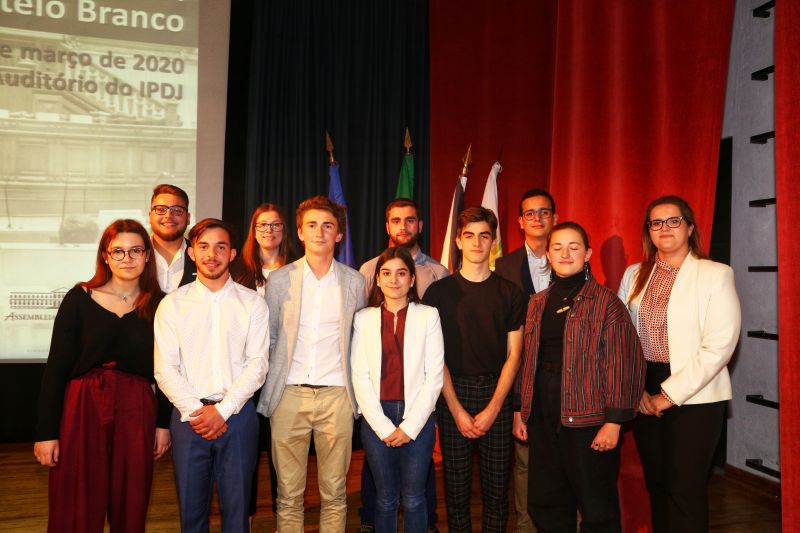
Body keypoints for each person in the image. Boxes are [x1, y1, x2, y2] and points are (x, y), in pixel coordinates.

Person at [34, 219, 171, 533]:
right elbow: (56, 368)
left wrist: (163, 424)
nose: (127, 258)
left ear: (147, 256)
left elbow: (168, 368)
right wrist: (46, 433)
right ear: (105, 257)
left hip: (137, 408)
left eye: (135, 250)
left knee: (131, 499)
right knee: (76, 499)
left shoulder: (161, 304)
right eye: (118, 251)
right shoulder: (79, 298)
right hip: (83, 407)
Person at [617, 196, 741, 533]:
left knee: (685, 489)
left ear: (689, 228)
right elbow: (621, 337)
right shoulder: (634, 274)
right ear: (648, 231)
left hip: (697, 393)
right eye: (656, 222)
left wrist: (668, 395)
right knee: (657, 485)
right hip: (645, 386)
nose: (665, 228)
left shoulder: (715, 274)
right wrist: (636, 389)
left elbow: (720, 345)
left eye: (673, 221)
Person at [514, 221, 645, 533]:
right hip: (543, 415)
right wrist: (520, 409)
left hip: (589, 419)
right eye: (557, 248)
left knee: (597, 507)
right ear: (548, 255)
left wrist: (614, 422)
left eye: (574, 247)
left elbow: (623, 364)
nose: (565, 254)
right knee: (546, 500)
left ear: (587, 253)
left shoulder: (607, 304)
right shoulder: (536, 303)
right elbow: (527, 360)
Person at [256, 195, 366, 533]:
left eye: (328, 226)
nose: (320, 232)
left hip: (337, 396)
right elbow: (270, 337)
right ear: (300, 232)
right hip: (289, 395)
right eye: (312, 225)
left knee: (335, 493)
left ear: (339, 235)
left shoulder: (355, 282)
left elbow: (358, 340)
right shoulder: (279, 280)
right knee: (288, 495)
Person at [154, 218, 269, 533]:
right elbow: (165, 368)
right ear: (192, 253)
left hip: (238, 417)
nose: (211, 254)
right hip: (188, 420)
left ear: (232, 254)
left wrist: (222, 410)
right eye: (203, 246)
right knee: (191, 514)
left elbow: (258, 364)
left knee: (238, 513)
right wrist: (198, 411)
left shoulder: (253, 303)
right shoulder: (172, 305)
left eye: (220, 247)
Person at [423, 206, 526, 533]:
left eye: (484, 236)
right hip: (452, 392)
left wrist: (495, 407)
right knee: (455, 492)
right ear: (458, 241)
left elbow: (515, 356)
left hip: (497, 393)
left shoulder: (510, 293)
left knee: (497, 493)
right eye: (469, 236)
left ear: (493, 241)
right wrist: (456, 409)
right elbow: (435, 358)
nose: (477, 243)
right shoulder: (438, 293)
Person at [357, 197, 448, 533]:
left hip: (418, 416)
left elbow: (434, 376)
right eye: (386, 274)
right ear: (377, 279)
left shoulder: (429, 315)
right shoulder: (363, 319)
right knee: (384, 498)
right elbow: (360, 377)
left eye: (401, 274)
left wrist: (410, 427)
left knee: (413, 498)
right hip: (376, 416)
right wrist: (383, 427)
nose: (393, 280)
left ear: (412, 280)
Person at [495, 188, 558, 533]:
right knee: (524, 461)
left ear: (554, 218)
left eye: (544, 212)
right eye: (530, 213)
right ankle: (525, 526)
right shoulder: (504, 266)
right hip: (521, 375)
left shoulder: (571, 256)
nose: (537, 218)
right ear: (520, 221)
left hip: (563, 376)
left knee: (564, 459)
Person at [231, 202, 294, 519]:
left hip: (284, 371)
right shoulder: (237, 273)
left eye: (275, 224)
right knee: (247, 451)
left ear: (284, 230)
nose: (269, 230)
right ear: (253, 231)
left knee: (283, 451)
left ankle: (285, 518)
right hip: (245, 372)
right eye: (262, 225)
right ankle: (246, 517)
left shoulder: (298, 270)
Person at [148, 183, 196, 292]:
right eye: (161, 210)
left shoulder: (201, 256)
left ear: (188, 218)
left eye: (177, 210)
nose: (168, 216)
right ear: (150, 216)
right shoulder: (134, 255)